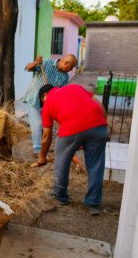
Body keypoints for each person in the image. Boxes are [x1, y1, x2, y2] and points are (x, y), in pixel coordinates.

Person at [35, 84, 107, 216]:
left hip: (71, 130)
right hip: (99, 125)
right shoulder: (75, 87)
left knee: (61, 163)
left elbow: (46, 137)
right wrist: (102, 124)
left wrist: (42, 157)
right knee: (96, 166)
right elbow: (98, 103)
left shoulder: (47, 105)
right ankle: (93, 203)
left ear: (44, 96)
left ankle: (60, 196)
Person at [23, 54, 77, 154]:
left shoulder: (65, 76)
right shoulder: (46, 63)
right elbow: (27, 68)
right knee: (38, 124)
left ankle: (43, 146)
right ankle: (37, 150)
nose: (69, 71)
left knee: (46, 125)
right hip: (34, 99)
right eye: (70, 68)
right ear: (66, 63)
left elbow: (61, 91)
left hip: (48, 104)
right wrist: (35, 63)